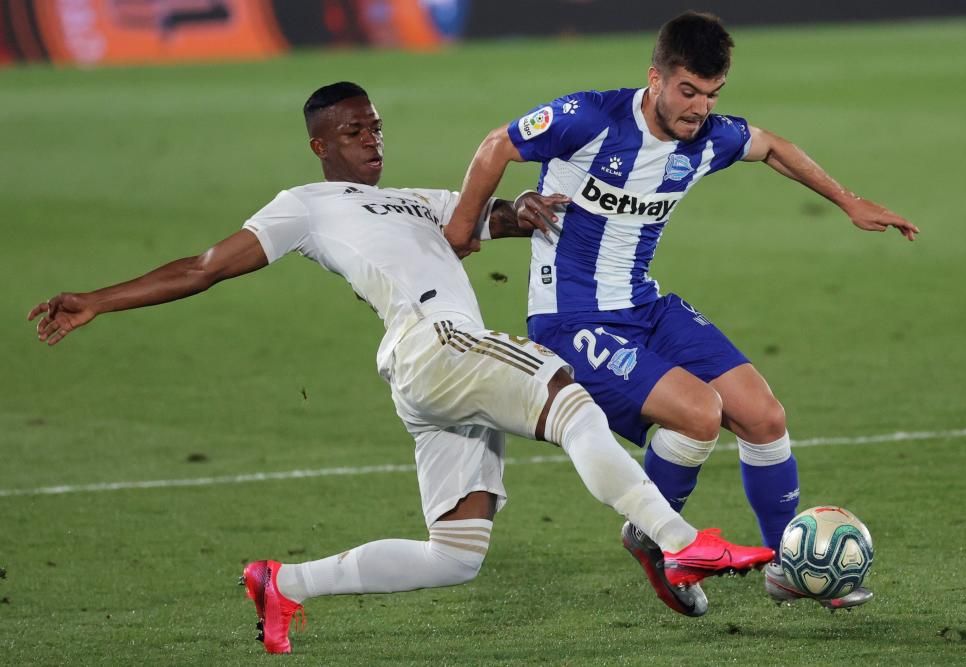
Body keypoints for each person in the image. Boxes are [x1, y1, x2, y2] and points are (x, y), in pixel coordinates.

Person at [28, 82, 775, 654]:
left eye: (377, 126)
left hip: (437, 376)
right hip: (435, 343)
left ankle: (281, 583)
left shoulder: (414, 200)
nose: (371, 139)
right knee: (568, 395)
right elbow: (204, 266)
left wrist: (531, 206)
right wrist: (99, 298)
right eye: (354, 131)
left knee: (455, 555)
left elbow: (497, 215)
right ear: (322, 144)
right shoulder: (307, 204)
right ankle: (678, 542)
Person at [445, 12, 918, 610]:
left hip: (646, 305)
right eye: (688, 91)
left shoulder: (708, 138)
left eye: (711, 94)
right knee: (699, 413)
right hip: (572, 319)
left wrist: (849, 203)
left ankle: (789, 568)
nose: (699, 108)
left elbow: (771, 146)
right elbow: (496, 146)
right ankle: (655, 539)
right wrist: (464, 228)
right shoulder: (590, 118)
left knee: (763, 416)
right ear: (657, 79)